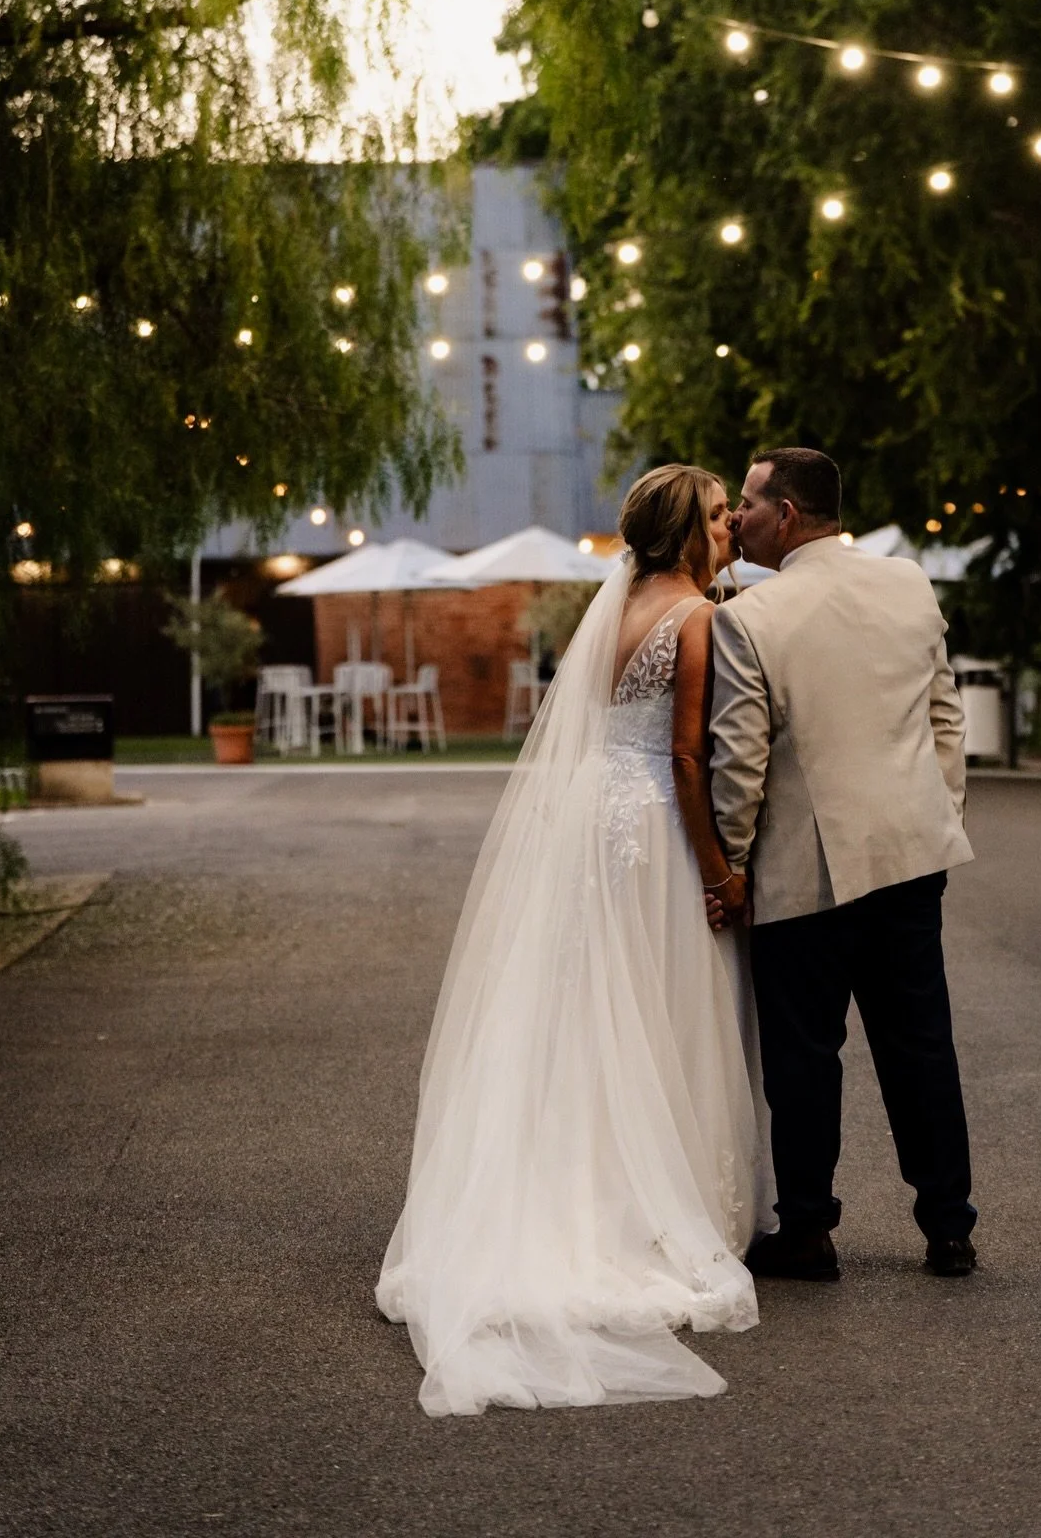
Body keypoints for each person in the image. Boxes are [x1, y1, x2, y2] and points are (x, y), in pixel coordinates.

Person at [377, 465, 764, 1415]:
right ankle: (643, 1200)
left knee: (581, 1001)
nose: (728, 531)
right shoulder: (697, 617)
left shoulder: (615, 606)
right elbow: (682, 754)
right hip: (653, 829)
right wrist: (720, 869)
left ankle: (564, 1178)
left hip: (589, 817)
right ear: (687, 534)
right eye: (718, 518)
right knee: (658, 999)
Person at [709, 447, 978, 1282]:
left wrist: (731, 865)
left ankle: (810, 1230)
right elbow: (946, 719)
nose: (740, 519)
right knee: (921, 1047)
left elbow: (739, 764)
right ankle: (948, 1227)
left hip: (805, 866)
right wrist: (935, 817)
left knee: (803, 1055)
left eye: (748, 504)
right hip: (909, 854)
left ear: (785, 515)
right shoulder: (907, 584)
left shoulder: (751, 617)